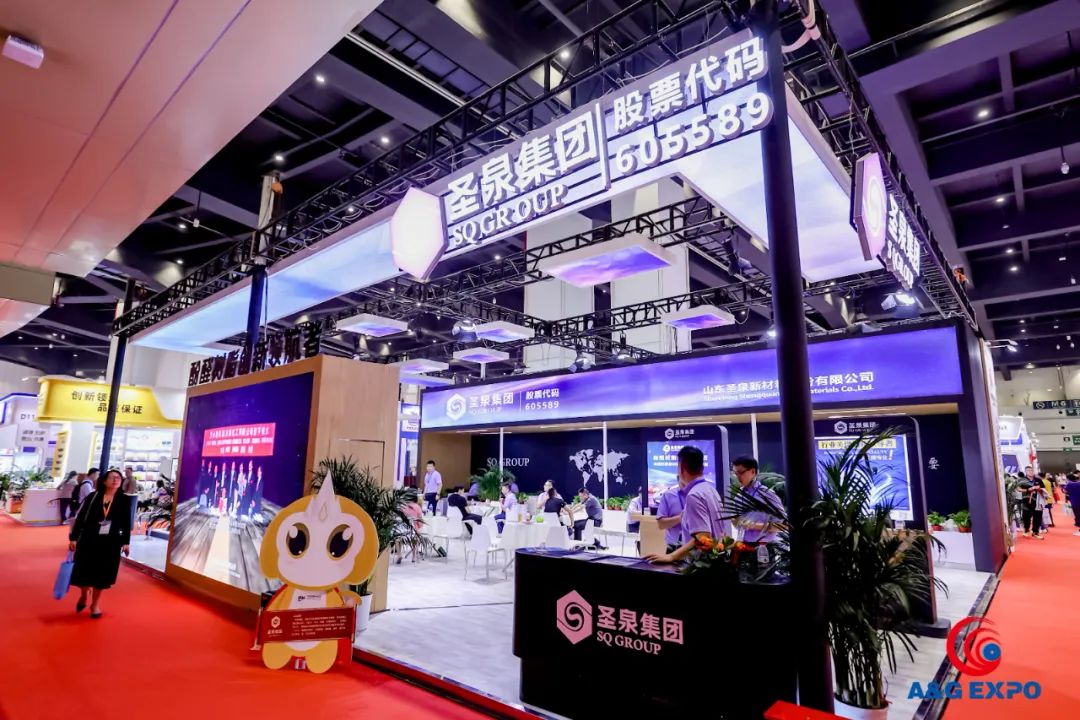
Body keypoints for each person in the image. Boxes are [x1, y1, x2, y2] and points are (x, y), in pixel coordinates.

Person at [645, 446, 730, 564]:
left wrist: (672, 556)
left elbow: (703, 538)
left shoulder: (694, 495)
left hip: (702, 564)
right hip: (717, 559)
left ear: (681, 468)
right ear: (702, 468)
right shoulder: (711, 490)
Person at [68, 469, 132, 618]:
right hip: (89, 539)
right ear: (104, 481)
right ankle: (84, 594)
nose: (116, 480)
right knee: (83, 571)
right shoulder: (93, 496)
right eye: (112, 477)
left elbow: (126, 523)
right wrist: (74, 537)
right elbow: (81, 518)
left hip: (110, 542)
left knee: (102, 575)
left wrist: (126, 542)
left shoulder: (123, 499)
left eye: (118, 478)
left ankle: (95, 605)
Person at [730, 456, 783, 544]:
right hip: (743, 544)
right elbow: (738, 525)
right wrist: (735, 522)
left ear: (753, 472)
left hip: (764, 546)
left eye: (741, 473)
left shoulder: (767, 494)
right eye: (735, 473)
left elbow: (783, 526)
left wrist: (755, 525)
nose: (737, 477)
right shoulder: (739, 496)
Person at [655, 486, 685, 552]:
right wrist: (681, 518)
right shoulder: (668, 495)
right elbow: (661, 525)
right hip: (673, 546)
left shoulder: (700, 494)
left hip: (696, 547)